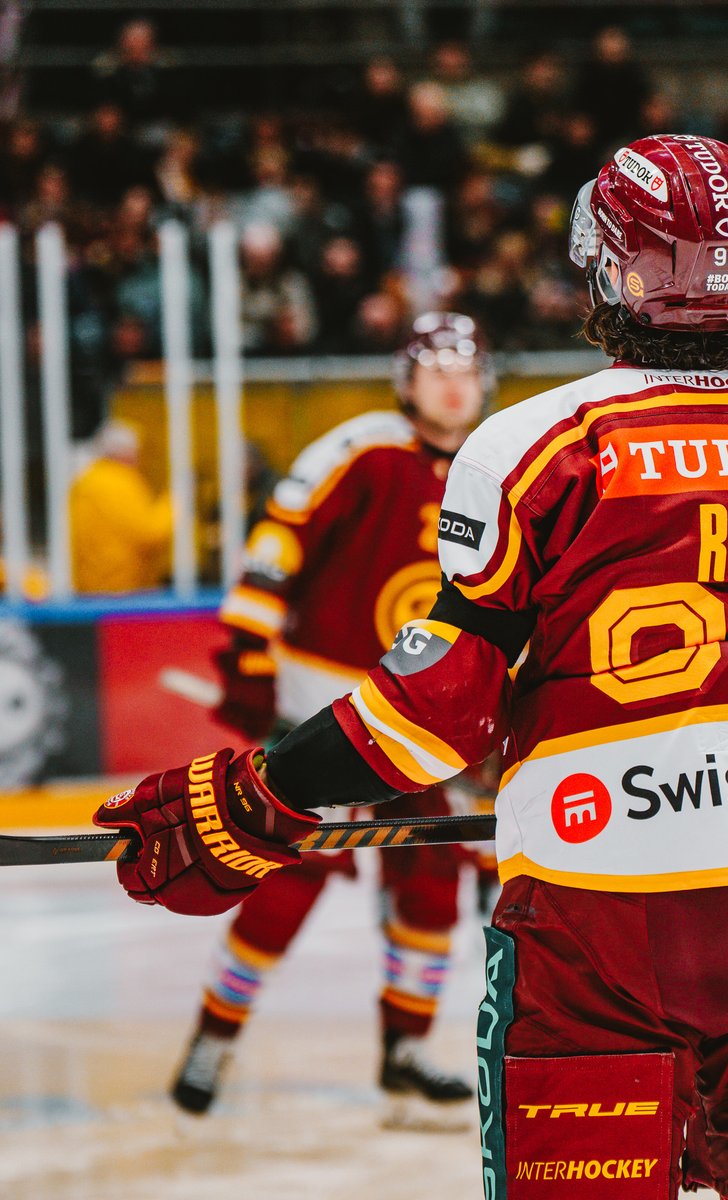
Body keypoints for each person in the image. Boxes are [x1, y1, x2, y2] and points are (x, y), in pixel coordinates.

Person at [95, 134, 728, 1198]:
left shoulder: (540, 445)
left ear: (611, 267)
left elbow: (435, 717)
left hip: (593, 948)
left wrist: (261, 799)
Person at [167, 312, 493, 1121]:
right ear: (406, 380)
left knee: (430, 885)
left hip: (422, 719)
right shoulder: (360, 449)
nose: (453, 384)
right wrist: (247, 654)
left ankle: (406, 1049)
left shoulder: (499, 464)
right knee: (288, 880)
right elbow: (277, 546)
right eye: (435, 369)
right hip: (327, 710)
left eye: (466, 369)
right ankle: (214, 1037)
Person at [70, 419, 172, 593]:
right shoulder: (119, 482)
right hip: (121, 589)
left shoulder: (85, 480)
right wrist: (174, 501)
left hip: (87, 587)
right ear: (127, 452)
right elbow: (150, 531)